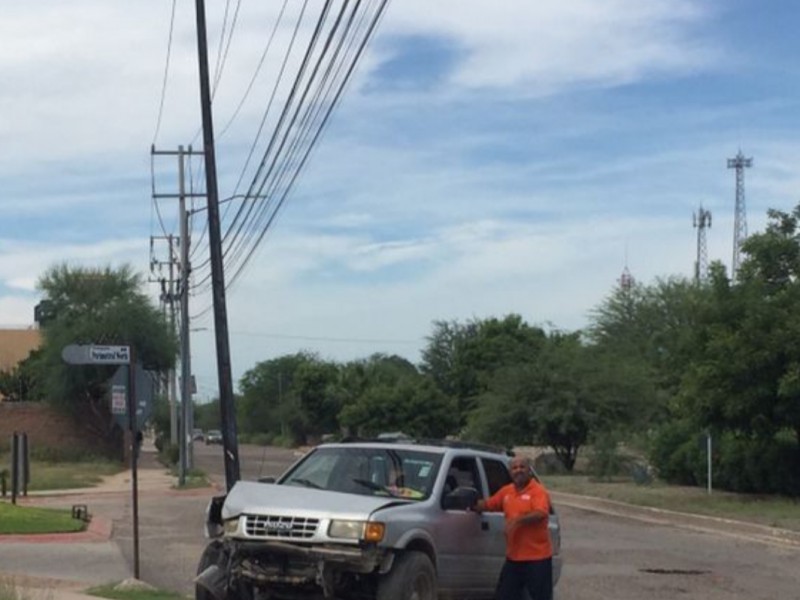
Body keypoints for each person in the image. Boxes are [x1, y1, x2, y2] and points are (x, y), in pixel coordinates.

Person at [473, 455, 553, 600]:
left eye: (522, 467)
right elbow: (489, 504)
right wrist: (471, 504)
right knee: (504, 595)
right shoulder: (507, 491)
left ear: (529, 470)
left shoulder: (538, 491)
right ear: (510, 472)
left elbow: (541, 513)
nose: (518, 470)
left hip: (537, 559)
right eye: (514, 468)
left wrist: (518, 521)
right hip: (514, 559)